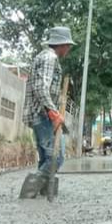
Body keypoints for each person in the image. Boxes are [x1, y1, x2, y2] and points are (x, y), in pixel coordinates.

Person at [21, 26, 74, 186]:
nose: (69, 49)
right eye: (68, 46)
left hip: (40, 115)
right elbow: (41, 88)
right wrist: (52, 111)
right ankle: (30, 188)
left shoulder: (43, 57)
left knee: (46, 158)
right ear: (62, 45)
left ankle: (43, 191)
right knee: (56, 157)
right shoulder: (50, 58)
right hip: (43, 115)